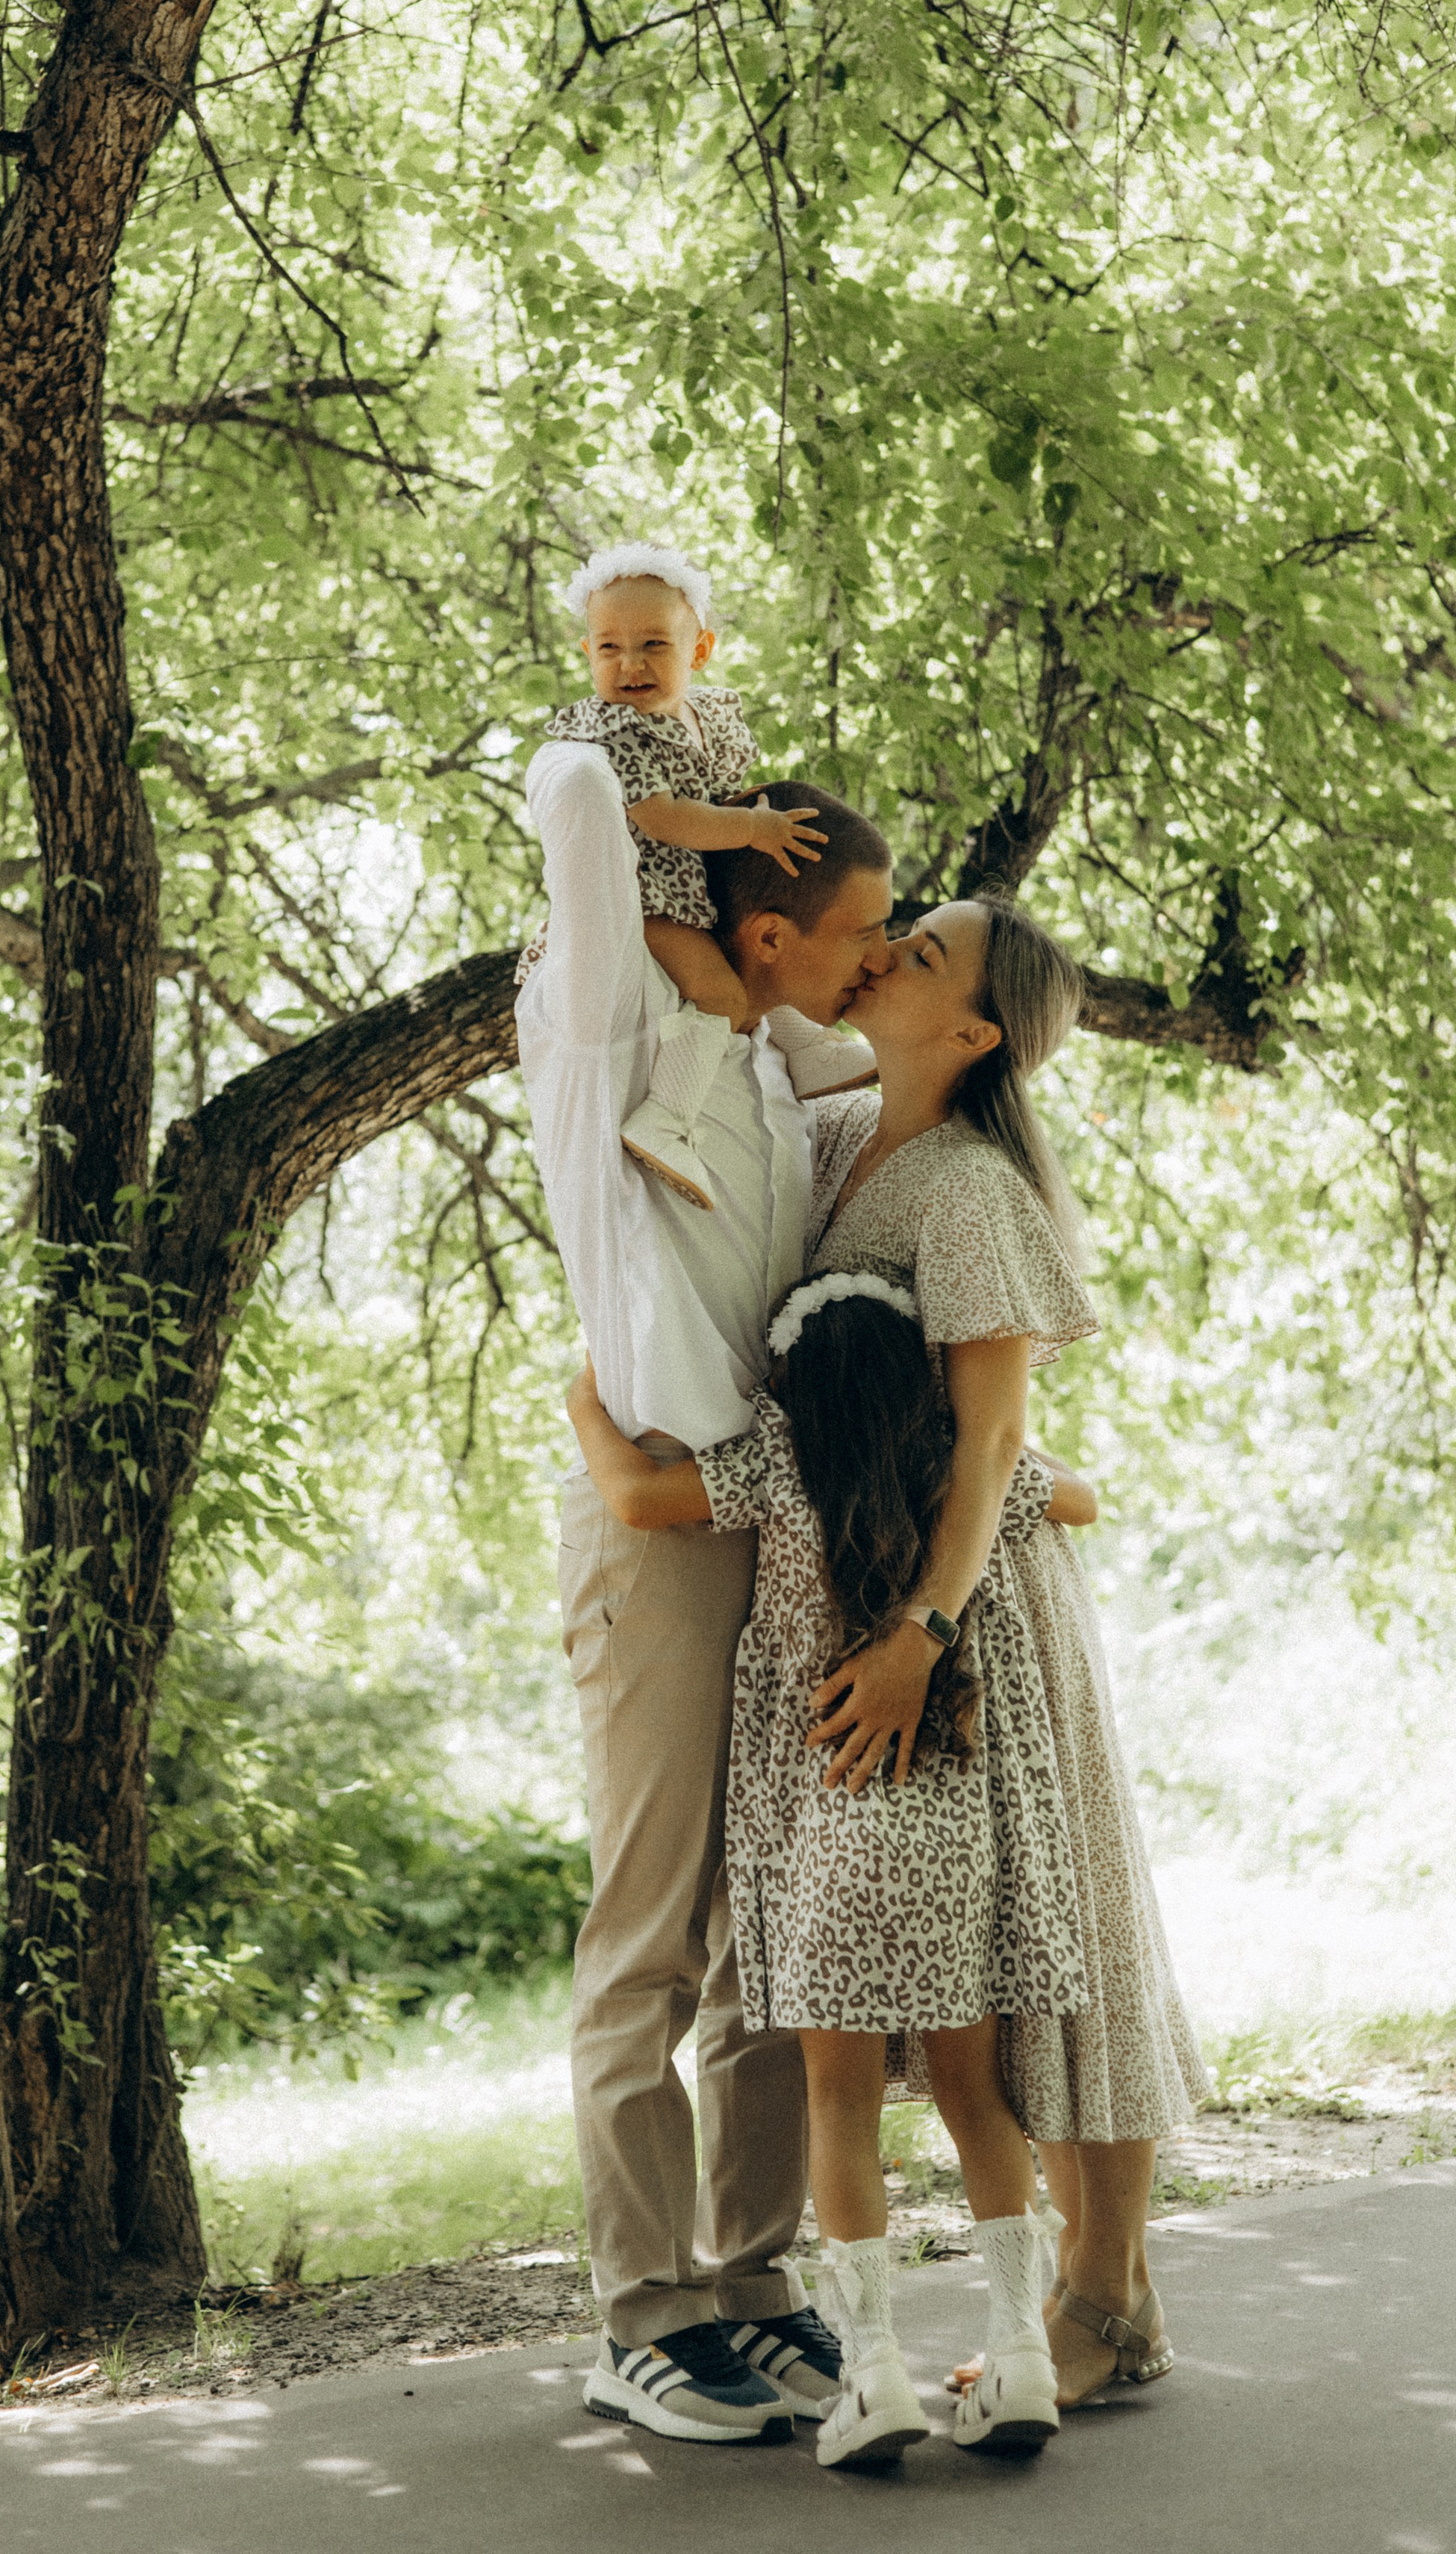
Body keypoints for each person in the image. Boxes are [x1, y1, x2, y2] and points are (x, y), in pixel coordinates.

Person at [516, 697, 895, 2443]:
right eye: (852, 937)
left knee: (767, 1933)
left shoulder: (778, 1069)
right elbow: (576, 791)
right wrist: (726, 813)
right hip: (654, 1530)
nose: (872, 964)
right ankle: (639, 2308)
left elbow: (923, 1057)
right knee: (651, 1928)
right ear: (757, 927)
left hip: (771, 1525)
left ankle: (745, 2279)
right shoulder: (621, 1035)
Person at [567, 1272, 1101, 2461]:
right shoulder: (966, 1475)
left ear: (793, 1390)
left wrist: (586, 1405)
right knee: (976, 2100)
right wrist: (992, 1442)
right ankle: (1018, 2355)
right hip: (955, 1847)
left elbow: (641, 1498)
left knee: (841, 2106)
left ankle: (873, 2377)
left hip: (829, 1854)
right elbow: (1083, 1498)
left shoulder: (777, 1460)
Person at [801, 889, 1208, 2411]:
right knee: (1024, 1951)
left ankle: (1099, 2300)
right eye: (899, 930)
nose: (891, 949)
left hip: (984, 1619)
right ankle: (1113, 2301)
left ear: (972, 1031)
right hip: (918, 1598)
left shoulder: (967, 1190)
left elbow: (984, 1455)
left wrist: (920, 1631)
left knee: (1065, 1942)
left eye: (922, 955)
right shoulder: (853, 1144)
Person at [517, 544, 874, 1205]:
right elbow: (662, 819)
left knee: (764, 952)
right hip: (649, 895)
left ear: (699, 649)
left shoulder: (705, 716)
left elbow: (717, 791)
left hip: (697, 882)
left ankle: (807, 1048)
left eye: (654, 644)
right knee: (722, 994)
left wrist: (756, 810)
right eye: (608, 648)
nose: (630, 664)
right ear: (587, 651)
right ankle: (666, 1119)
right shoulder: (619, 730)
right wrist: (751, 830)